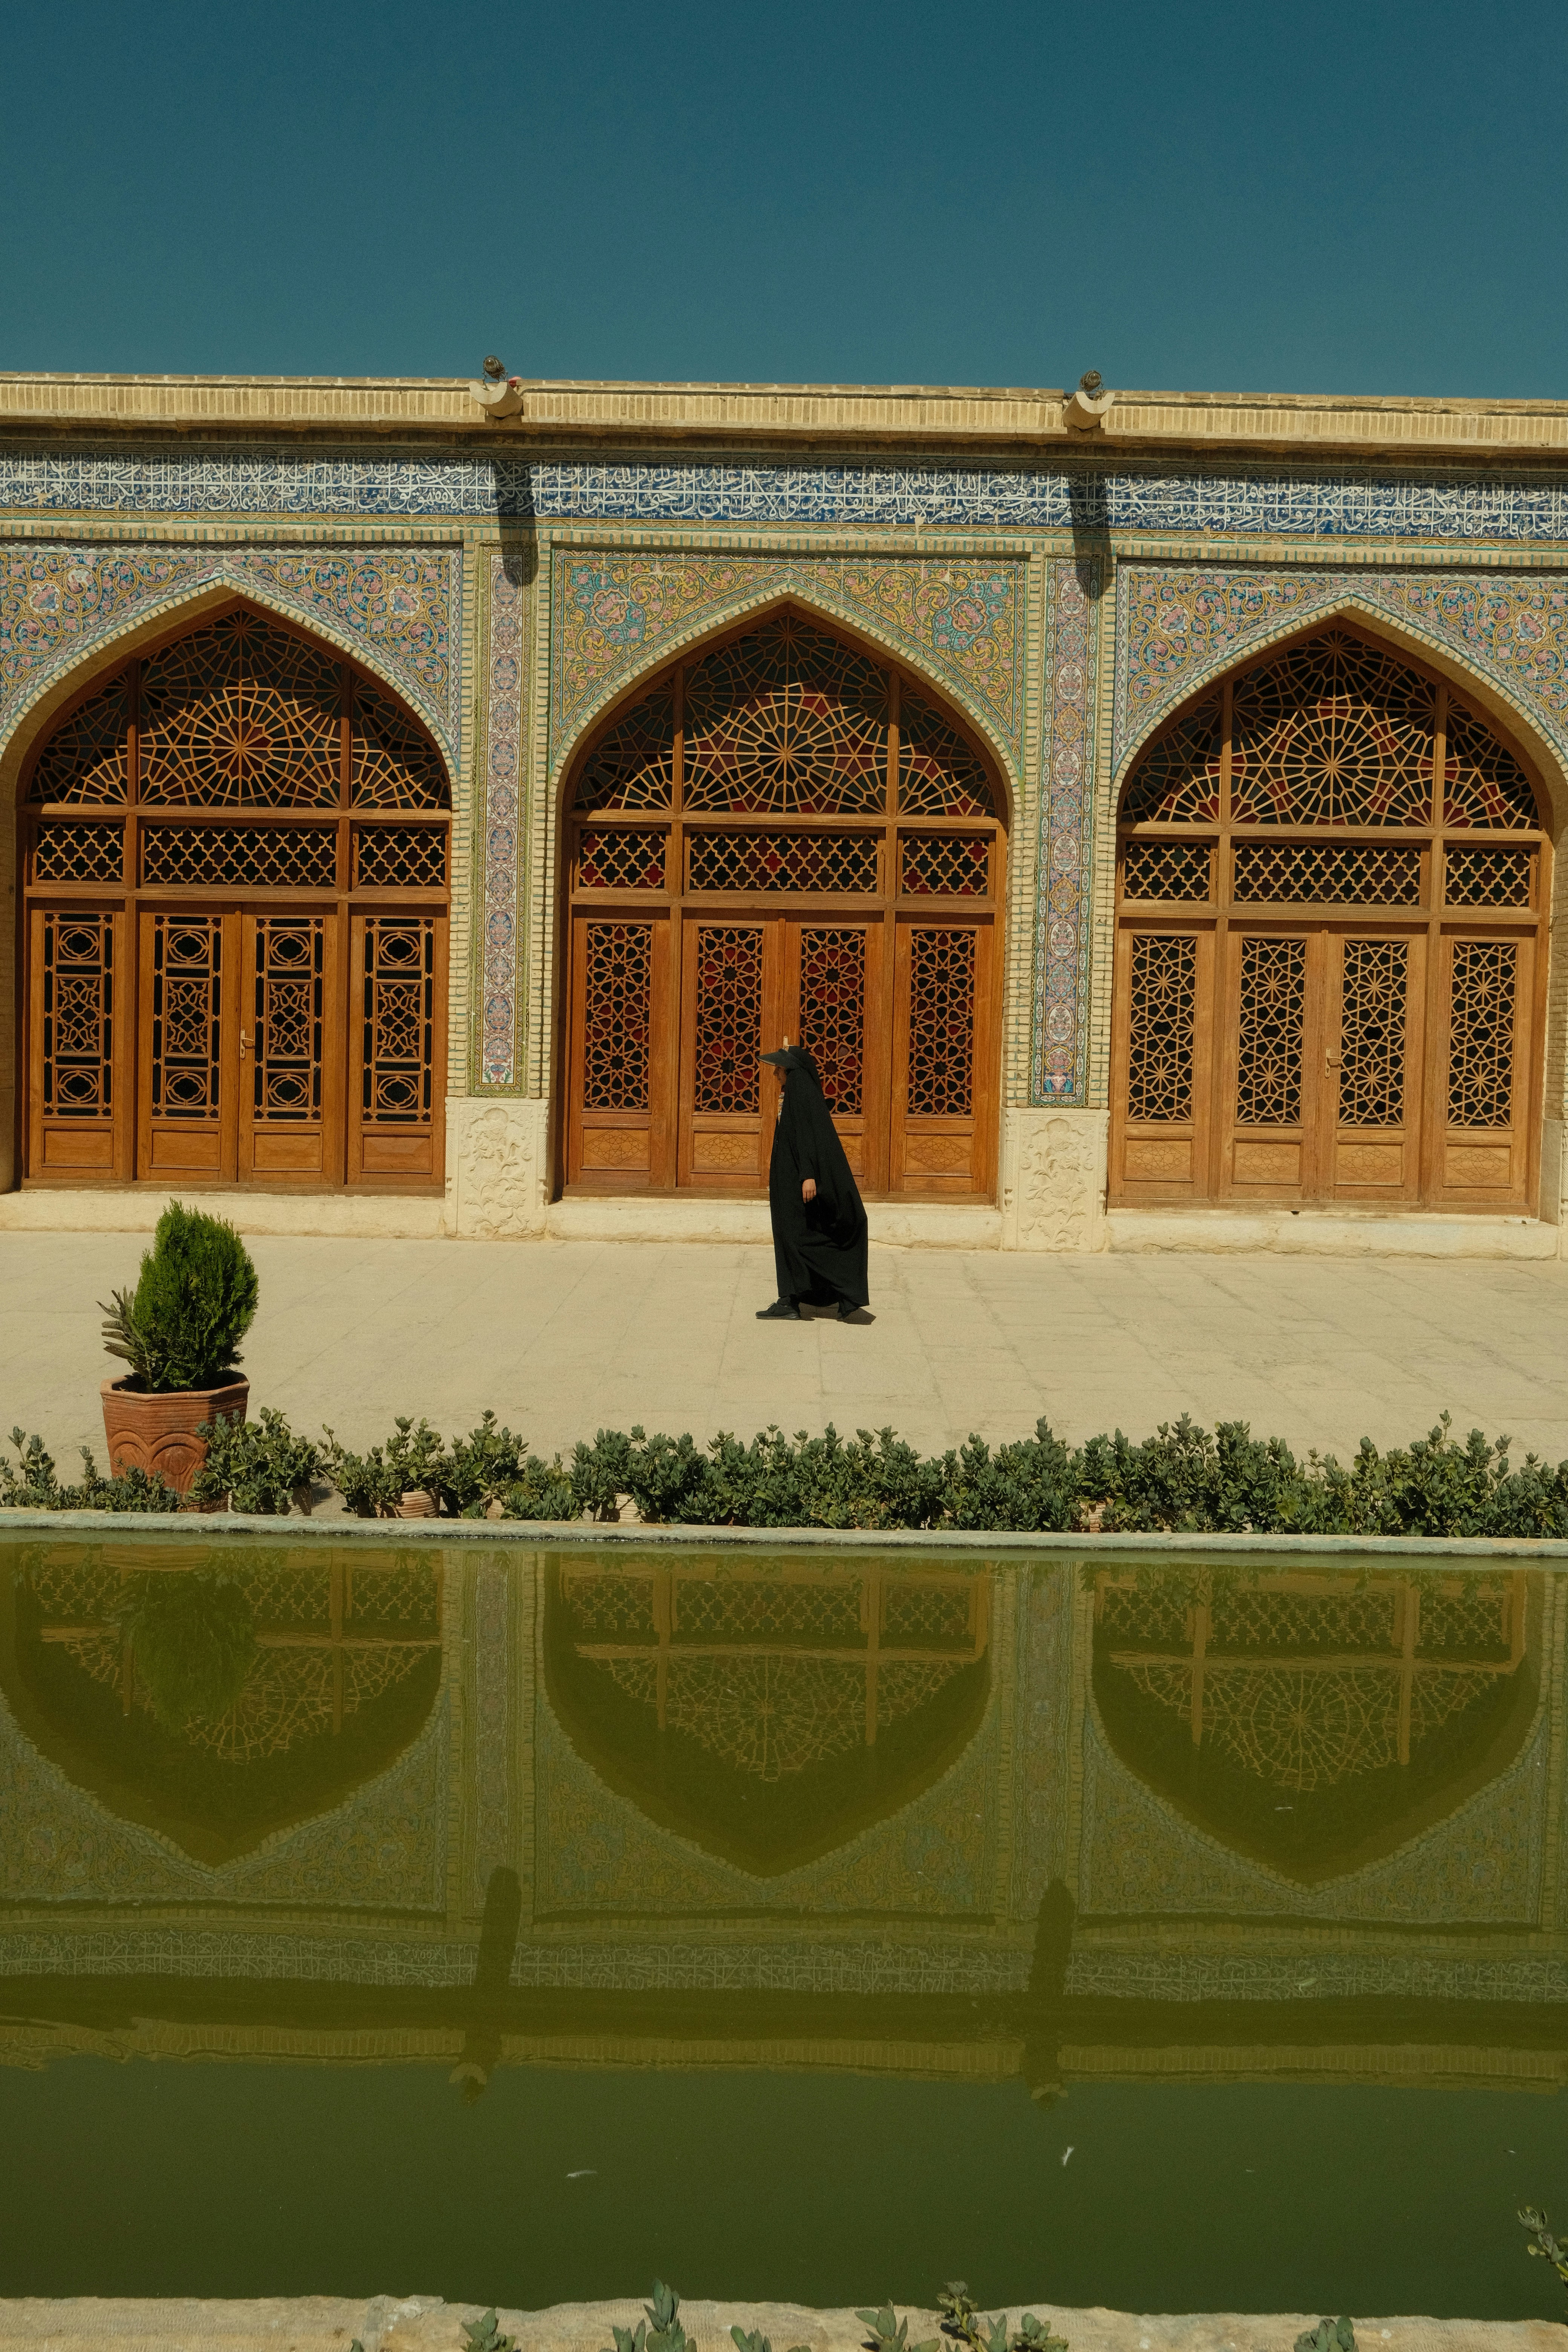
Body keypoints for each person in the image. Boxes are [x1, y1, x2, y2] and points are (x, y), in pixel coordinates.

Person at [755, 1043, 870, 1321]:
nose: (775, 1074)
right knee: (791, 1235)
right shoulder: (794, 1092)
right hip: (789, 1176)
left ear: (791, 1071)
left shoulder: (801, 1093)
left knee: (795, 1238)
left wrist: (808, 1176)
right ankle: (795, 1299)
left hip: (797, 1179)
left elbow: (807, 1136)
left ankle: (801, 1298)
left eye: (779, 1069)